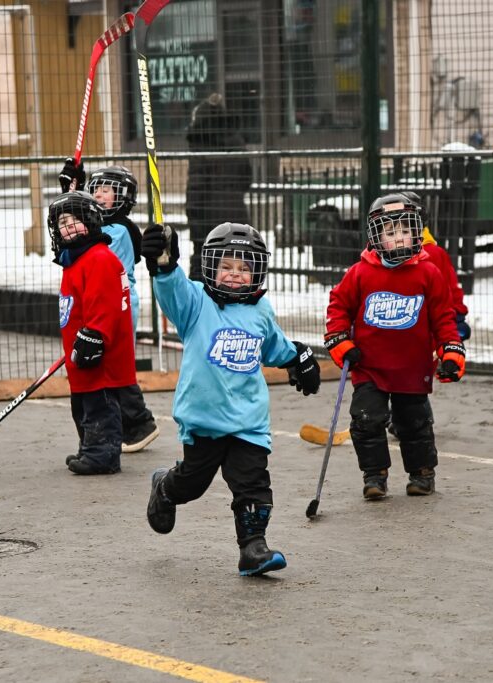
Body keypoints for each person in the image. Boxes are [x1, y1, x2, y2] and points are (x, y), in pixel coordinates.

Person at [141, 221, 321, 576]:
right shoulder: (195, 302)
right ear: (210, 266)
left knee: (253, 484)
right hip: (205, 422)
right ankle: (166, 486)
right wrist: (163, 263)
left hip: (248, 422)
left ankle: (254, 549)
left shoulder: (260, 310)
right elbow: (171, 290)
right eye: (226, 267)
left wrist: (298, 359)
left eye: (244, 268)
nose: (235, 275)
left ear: (257, 272)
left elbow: (274, 347)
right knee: (192, 484)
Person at [324, 194, 464, 500]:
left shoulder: (428, 272)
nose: (398, 237)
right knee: (366, 420)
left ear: (416, 232)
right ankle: (374, 476)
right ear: (377, 237)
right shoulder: (360, 272)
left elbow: (443, 318)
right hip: (369, 366)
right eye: (390, 233)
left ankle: (422, 474)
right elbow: (338, 307)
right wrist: (340, 341)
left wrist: (451, 351)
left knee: (414, 423)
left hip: (412, 367)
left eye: (404, 230)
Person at [58, 159, 160, 452]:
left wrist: (73, 200)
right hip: (105, 300)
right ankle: (132, 425)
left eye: (108, 190)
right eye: (96, 189)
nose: (100, 195)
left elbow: (83, 239)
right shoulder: (102, 226)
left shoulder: (118, 230)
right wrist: (71, 190)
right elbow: (73, 233)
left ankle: (137, 423)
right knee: (108, 367)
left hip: (118, 302)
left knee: (111, 367)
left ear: (124, 198)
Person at [47, 191, 136, 476]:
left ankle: (103, 454)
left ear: (91, 222)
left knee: (100, 405)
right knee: (83, 405)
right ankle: (90, 447)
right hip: (81, 354)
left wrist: (94, 336)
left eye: (74, 221)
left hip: (100, 355)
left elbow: (106, 304)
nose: (68, 227)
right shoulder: (75, 260)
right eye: (62, 223)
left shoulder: (99, 258)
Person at [185, 93, 252, 282]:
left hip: (207, 218)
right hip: (237, 214)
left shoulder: (200, 143)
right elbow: (247, 176)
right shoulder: (236, 139)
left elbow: (196, 186)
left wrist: (193, 217)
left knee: (206, 269)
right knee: (237, 269)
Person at [400, 191, 470, 341]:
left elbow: (449, 288)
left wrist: (457, 317)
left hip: (427, 329)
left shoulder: (433, 254)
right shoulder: (377, 256)